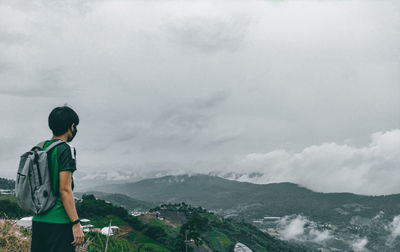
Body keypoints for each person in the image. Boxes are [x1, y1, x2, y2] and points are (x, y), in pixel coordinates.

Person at [31, 106, 84, 252]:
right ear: (71, 126)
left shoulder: (40, 148)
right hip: (59, 222)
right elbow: (65, 189)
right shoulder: (65, 150)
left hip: (38, 220)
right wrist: (76, 224)